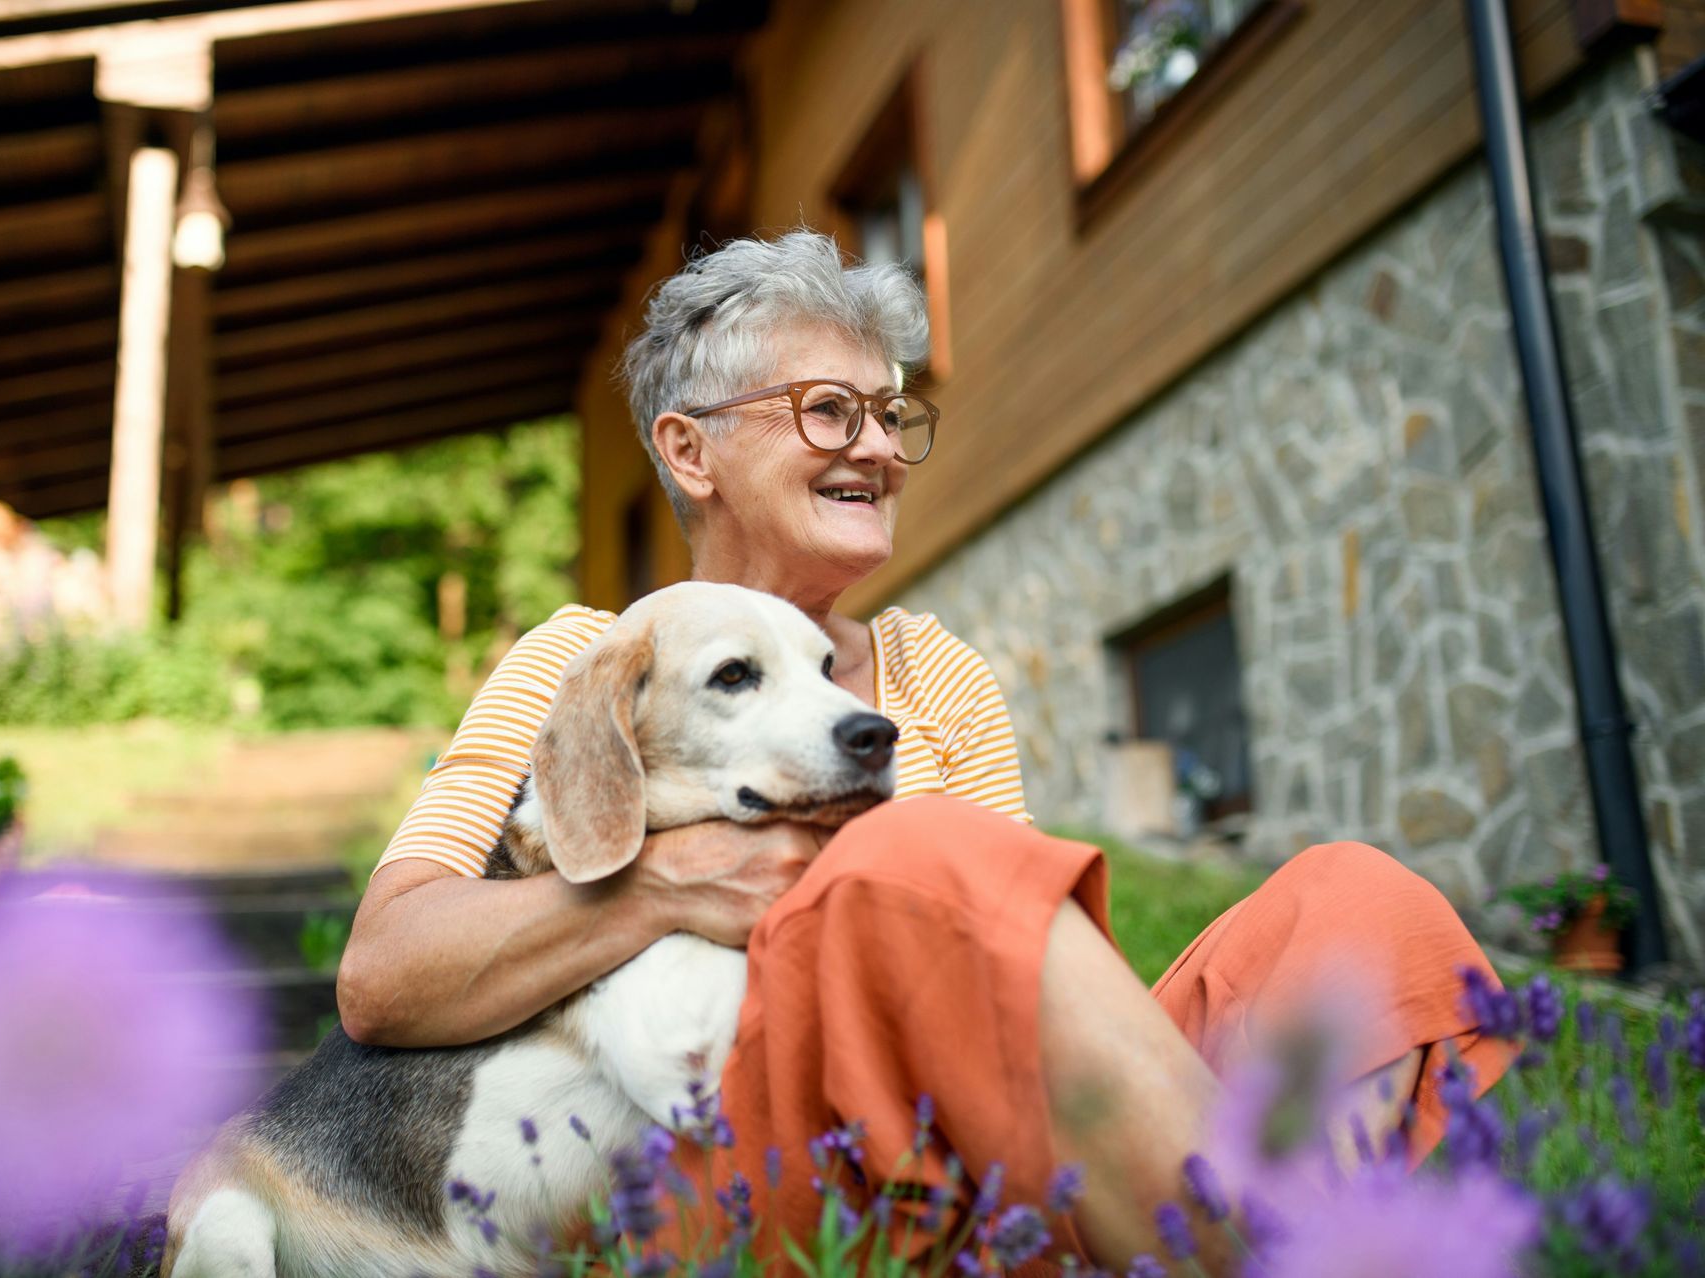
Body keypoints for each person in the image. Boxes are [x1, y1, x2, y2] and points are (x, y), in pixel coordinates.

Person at [337, 231, 1514, 1270]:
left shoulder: (933, 673)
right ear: (690, 453)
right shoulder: (585, 656)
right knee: (917, 860)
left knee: (1360, 905)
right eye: (829, 411)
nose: (881, 450)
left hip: (993, 1159)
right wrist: (668, 884)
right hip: (736, 1151)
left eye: (891, 415)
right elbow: (384, 976)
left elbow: (1040, 971)